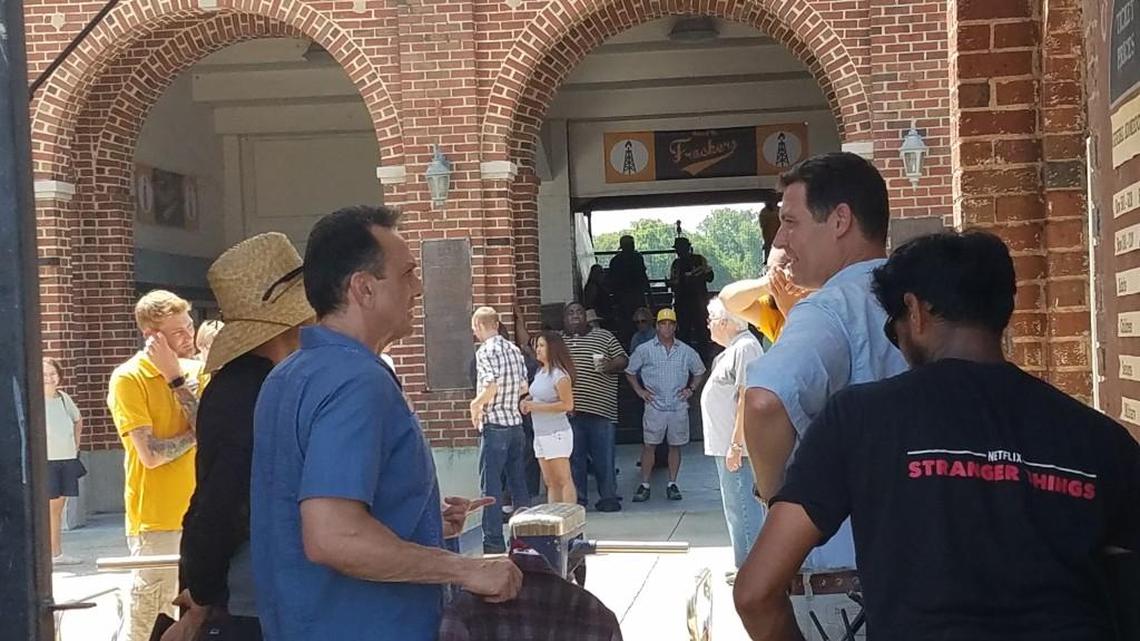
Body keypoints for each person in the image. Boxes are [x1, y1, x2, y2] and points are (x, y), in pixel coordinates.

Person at [735, 231, 1140, 641]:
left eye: (894, 330)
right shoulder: (1102, 440)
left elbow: (756, 593)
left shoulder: (860, 420)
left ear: (915, 311)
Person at [251, 206, 521, 641]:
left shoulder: (288, 374)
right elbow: (334, 536)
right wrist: (466, 569)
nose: (418, 287)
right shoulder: (355, 381)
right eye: (408, 273)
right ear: (363, 289)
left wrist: (421, 521)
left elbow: (315, 506)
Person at [738, 152, 907, 640]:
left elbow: (765, 399)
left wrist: (777, 502)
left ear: (840, 220)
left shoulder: (832, 308)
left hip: (845, 571)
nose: (780, 239)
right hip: (933, 559)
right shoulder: (922, 299)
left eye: (790, 221)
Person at [165, 233, 314, 641]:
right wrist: (202, 592)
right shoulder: (245, 390)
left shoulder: (269, 381)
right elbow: (223, 498)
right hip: (245, 596)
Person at [107, 289, 206, 641]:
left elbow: (212, 428)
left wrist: (178, 381)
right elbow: (151, 454)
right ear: (153, 337)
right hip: (158, 519)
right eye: (178, 332)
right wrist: (198, 432)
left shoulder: (198, 372)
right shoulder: (129, 378)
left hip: (202, 514)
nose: (188, 336)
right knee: (152, 620)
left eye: (189, 326)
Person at [701, 300, 765, 578]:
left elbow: (745, 398)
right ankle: (745, 564)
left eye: (711, 318)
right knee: (734, 504)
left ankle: (752, 567)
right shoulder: (730, 351)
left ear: (726, 322)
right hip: (724, 443)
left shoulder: (746, 347)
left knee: (743, 505)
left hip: (737, 445)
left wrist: (736, 443)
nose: (708, 324)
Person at [625, 308, 706, 502]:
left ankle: (672, 483)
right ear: (657, 326)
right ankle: (645, 483)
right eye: (663, 324)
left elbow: (700, 370)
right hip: (655, 404)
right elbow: (630, 371)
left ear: (676, 326)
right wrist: (640, 391)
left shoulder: (686, 351)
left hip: (678, 405)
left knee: (675, 446)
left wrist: (691, 389)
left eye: (670, 323)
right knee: (649, 445)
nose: (667, 327)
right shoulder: (645, 349)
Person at [470, 306, 532, 553]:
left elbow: (490, 386)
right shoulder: (514, 349)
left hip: (495, 424)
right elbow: (523, 387)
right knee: (519, 484)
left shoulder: (485, 351)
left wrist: (475, 404)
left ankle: (493, 542)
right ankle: (525, 539)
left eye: (475, 328)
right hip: (515, 423)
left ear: (480, 326)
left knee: (491, 488)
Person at [562, 302, 628, 512]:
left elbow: (623, 359)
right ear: (564, 318)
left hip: (601, 410)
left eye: (579, 312)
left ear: (586, 317)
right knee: (575, 460)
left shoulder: (604, 336)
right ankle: (578, 500)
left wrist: (609, 365)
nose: (575, 316)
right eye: (570, 313)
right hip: (570, 412)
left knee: (604, 459)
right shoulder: (558, 341)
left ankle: (608, 498)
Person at [520, 332, 577, 505]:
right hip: (540, 433)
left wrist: (535, 407)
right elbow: (537, 394)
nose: (537, 349)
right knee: (550, 482)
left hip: (556, 432)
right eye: (537, 345)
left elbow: (567, 405)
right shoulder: (540, 372)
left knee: (563, 479)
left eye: (542, 345)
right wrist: (526, 400)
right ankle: (555, 518)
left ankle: (570, 521)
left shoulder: (560, 375)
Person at [719, 247, 810, 345]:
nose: (784, 281)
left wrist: (790, 311)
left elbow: (806, 349)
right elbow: (726, 299)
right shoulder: (776, 314)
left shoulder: (824, 307)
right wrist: (766, 284)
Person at [42, 357, 85, 566]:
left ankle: (56, 553)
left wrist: (75, 445)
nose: (49, 378)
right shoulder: (35, 400)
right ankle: (50, 553)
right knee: (49, 509)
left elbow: (78, 419)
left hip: (66, 460)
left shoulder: (63, 398)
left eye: (52, 374)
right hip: (46, 462)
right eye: (44, 374)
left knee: (59, 509)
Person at [669, 237, 713, 350]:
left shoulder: (697, 260)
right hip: (689, 303)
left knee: (698, 332)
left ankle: (701, 357)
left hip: (695, 303)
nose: (678, 252)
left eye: (679, 249)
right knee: (688, 333)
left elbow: (710, 276)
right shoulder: (678, 263)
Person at [607, 235, 650, 343]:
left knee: (626, 326)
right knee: (639, 323)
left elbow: (612, 282)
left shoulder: (616, 261)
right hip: (635, 296)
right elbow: (643, 277)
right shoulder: (637, 258)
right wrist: (649, 295)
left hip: (623, 298)